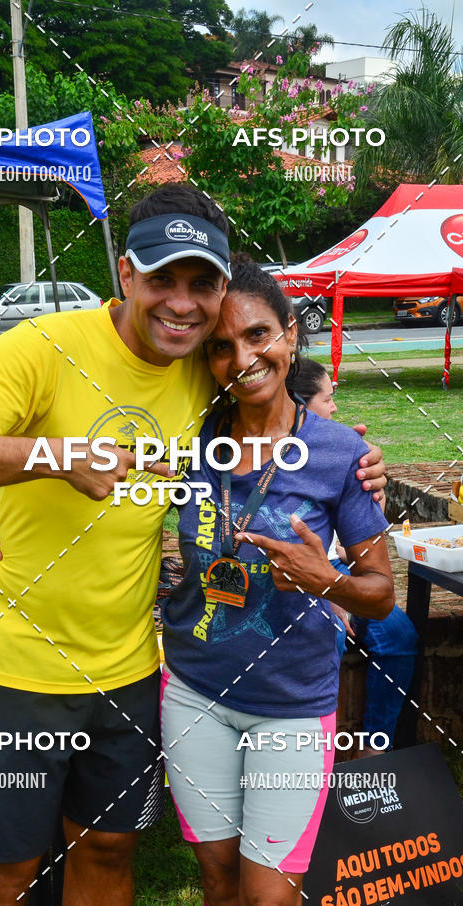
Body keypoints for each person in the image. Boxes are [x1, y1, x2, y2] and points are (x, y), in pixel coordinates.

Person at [0, 187, 386, 906]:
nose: (181, 304)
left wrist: (356, 461)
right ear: (126, 274)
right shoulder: (43, 346)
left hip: (127, 671)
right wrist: (56, 457)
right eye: (162, 279)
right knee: (7, 870)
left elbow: (290, 408)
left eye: (201, 285)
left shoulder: (204, 371)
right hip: (17, 668)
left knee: (110, 850)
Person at [159, 253, 395, 906]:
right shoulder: (187, 440)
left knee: (270, 896)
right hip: (193, 693)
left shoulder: (342, 454)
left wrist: (330, 580)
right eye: (220, 347)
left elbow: (381, 595)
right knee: (217, 882)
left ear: (290, 332)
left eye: (257, 334)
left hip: (291, 707)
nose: (241, 359)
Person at [287, 357, 417, 755]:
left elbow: (365, 531)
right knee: (325, 637)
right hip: (290, 573)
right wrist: (328, 594)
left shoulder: (340, 449)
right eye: (329, 398)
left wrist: (366, 483)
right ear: (302, 405)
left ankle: (374, 746)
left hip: (334, 563)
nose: (336, 407)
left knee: (398, 634)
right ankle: (307, 749)